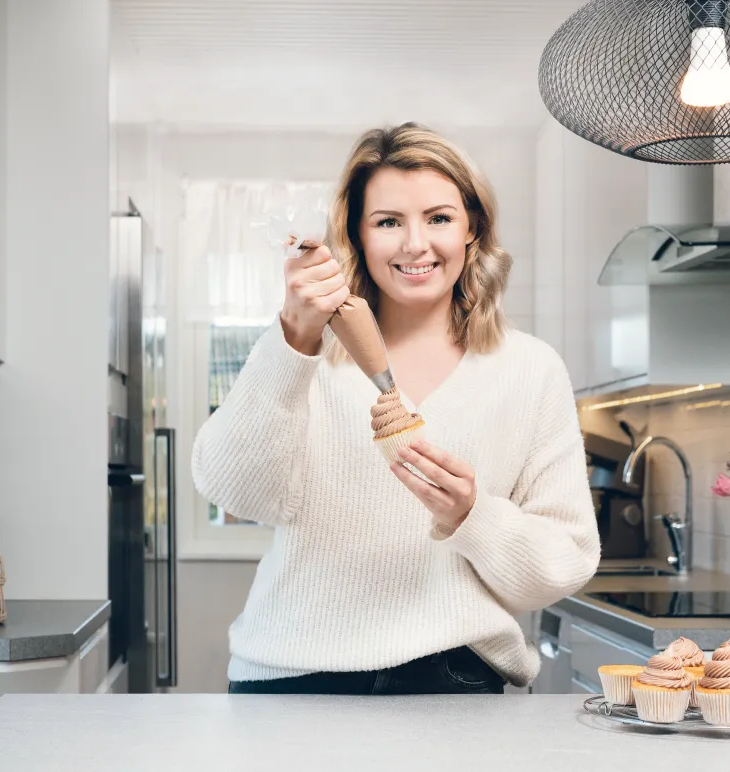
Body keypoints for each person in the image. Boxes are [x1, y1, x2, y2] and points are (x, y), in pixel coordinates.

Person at [192, 122, 600, 695]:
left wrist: (471, 515)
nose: (415, 244)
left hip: (456, 681)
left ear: (472, 228)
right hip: (292, 676)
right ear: (356, 236)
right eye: (388, 222)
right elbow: (235, 492)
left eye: (439, 218)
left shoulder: (531, 370)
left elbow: (563, 564)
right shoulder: (304, 355)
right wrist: (294, 340)